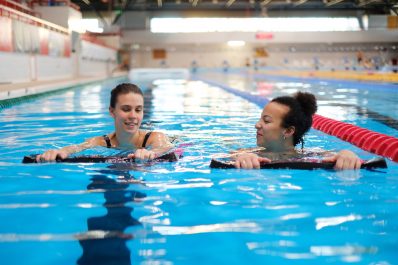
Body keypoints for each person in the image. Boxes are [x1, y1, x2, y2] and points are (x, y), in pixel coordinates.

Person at [36, 83, 172, 162]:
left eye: (138, 110)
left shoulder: (155, 137)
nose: (133, 116)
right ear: (112, 112)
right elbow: (76, 147)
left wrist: (151, 153)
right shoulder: (101, 142)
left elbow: (164, 147)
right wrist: (59, 152)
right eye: (126, 109)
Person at [233, 92, 362, 170]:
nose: (257, 125)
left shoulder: (311, 156)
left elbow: (338, 155)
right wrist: (242, 158)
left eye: (266, 121)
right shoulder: (246, 153)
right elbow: (230, 157)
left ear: (288, 131)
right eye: (260, 119)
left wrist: (347, 154)